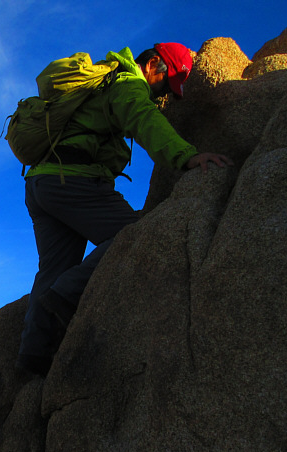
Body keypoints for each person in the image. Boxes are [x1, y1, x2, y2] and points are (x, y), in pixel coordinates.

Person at [16, 42, 233, 377]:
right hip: (73, 180)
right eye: (166, 85)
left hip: (42, 184)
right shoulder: (128, 83)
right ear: (154, 65)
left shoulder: (104, 80)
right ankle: (64, 296)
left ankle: (33, 360)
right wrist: (186, 156)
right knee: (134, 234)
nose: (163, 96)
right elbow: (145, 120)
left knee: (53, 268)